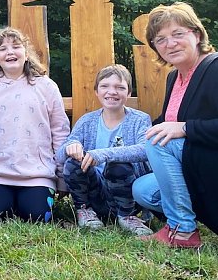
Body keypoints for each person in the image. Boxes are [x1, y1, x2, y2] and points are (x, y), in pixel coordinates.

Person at [132, 2, 218, 248]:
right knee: (144, 190)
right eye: (161, 39)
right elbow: (165, 123)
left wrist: (186, 128)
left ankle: (182, 231)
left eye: (178, 34)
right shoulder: (174, 78)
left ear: (196, 34)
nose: (170, 43)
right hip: (204, 166)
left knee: (159, 141)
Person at [0, 27, 70, 223]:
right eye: (2, 49)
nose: (10, 52)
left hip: (37, 171)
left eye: (16, 46)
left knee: (38, 216)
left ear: (26, 53)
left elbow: (59, 131)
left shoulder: (46, 87)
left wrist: (62, 178)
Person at [56, 64, 153, 235]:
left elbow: (145, 149)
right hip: (96, 194)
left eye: (120, 87)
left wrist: (104, 154)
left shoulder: (140, 119)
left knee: (117, 163)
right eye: (105, 86)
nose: (112, 92)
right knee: (73, 163)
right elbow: (60, 154)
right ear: (97, 91)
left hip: (127, 193)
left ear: (128, 93)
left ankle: (127, 217)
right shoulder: (87, 121)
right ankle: (85, 211)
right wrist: (71, 147)